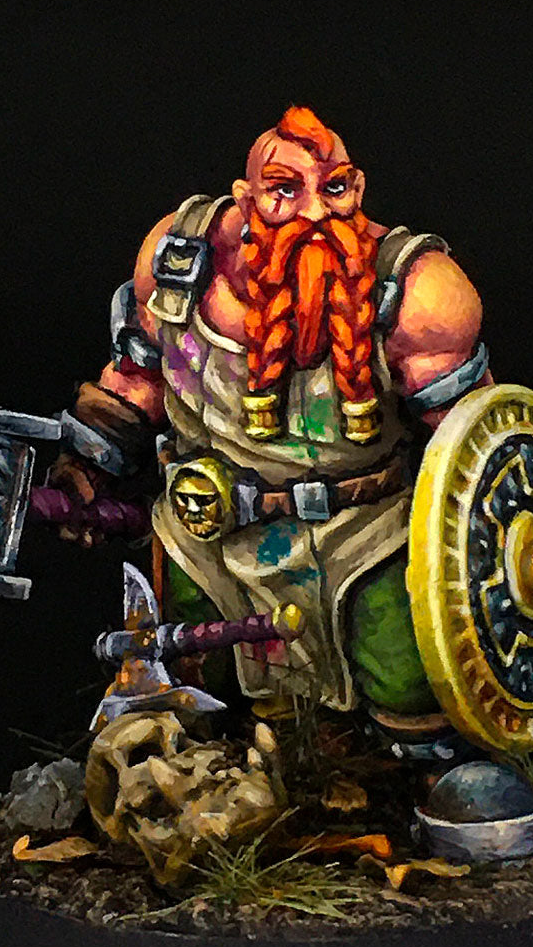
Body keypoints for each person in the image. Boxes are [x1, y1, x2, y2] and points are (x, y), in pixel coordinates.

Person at [49, 107, 492, 757]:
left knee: (409, 693)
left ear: (358, 186)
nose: (314, 211)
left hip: (360, 538)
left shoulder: (416, 291)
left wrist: (480, 559)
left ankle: (429, 777)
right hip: (207, 538)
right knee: (193, 702)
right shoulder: (181, 260)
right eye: (285, 189)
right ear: (246, 196)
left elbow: (474, 450)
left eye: (334, 188)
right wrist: (88, 467)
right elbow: (138, 376)